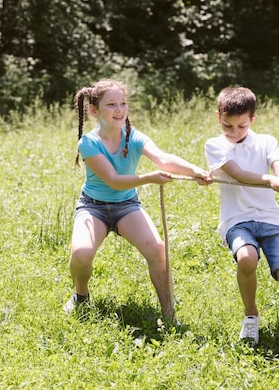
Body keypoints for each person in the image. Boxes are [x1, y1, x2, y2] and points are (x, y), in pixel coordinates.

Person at [65, 79, 211, 320]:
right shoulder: (88, 143)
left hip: (126, 205)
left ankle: (168, 312)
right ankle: (81, 296)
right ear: (94, 110)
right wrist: (149, 178)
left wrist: (196, 171)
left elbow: (163, 159)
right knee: (81, 254)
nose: (119, 109)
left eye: (123, 103)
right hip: (93, 207)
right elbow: (112, 180)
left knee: (157, 249)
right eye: (111, 104)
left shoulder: (133, 136)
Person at [204, 86, 279, 344]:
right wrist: (271, 181)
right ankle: (251, 316)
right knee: (246, 258)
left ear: (252, 120)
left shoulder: (266, 141)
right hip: (237, 220)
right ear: (218, 116)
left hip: (271, 219)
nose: (234, 132)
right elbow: (238, 174)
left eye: (241, 126)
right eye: (227, 126)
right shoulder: (215, 145)